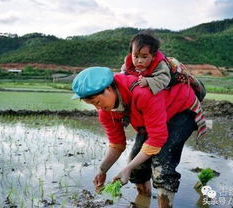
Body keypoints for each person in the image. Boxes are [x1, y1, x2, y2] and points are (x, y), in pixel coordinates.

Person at [72, 67, 206, 208]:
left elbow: (157, 139)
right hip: (152, 117)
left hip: (181, 110)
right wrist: (102, 170)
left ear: (109, 89)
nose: (97, 108)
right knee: (137, 166)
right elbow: (117, 144)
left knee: (162, 164)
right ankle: (143, 201)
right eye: (92, 104)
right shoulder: (106, 112)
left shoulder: (142, 92)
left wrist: (127, 168)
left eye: (97, 102)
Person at [121, 31, 171, 95]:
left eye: (144, 57)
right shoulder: (129, 62)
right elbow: (123, 71)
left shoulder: (159, 65)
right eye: (136, 56)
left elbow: (164, 79)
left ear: (153, 56)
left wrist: (148, 81)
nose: (139, 61)